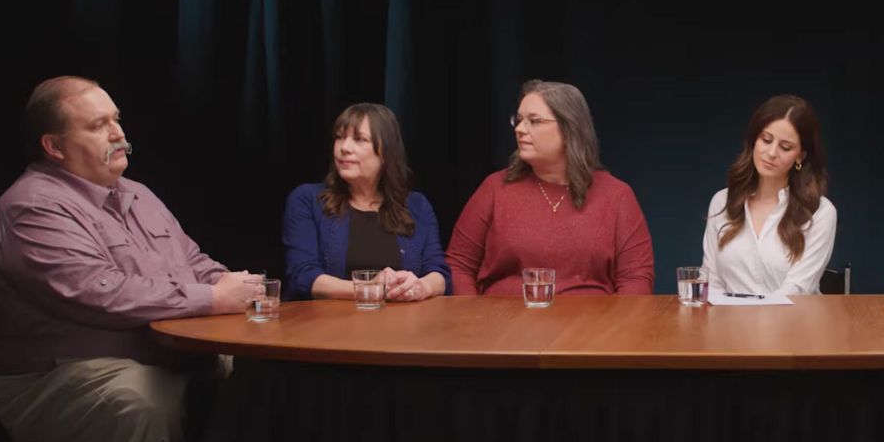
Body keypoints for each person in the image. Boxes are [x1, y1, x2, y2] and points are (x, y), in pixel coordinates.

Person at [0, 76, 264, 442]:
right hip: (50, 374)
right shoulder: (30, 210)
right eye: (97, 125)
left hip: (157, 349)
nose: (119, 134)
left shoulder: (138, 195)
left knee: (260, 374)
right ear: (54, 147)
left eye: (116, 119)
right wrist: (212, 298)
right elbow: (100, 292)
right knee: (145, 405)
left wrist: (232, 285)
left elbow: (194, 262)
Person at [445, 79, 654, 295]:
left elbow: (635, 278)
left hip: (591, 326)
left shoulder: (616, 195)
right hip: (504, 325)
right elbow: (459, 265)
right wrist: (474, 321)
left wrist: (616, 328)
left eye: (534, 121)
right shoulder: (495, 188)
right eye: (518, 120)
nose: (519, 129)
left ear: (569, 129)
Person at [283, 103, 451, 302]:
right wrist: (371, 288)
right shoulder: (307, 199)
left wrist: (422, 286)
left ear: (386, 153)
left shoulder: (417, 205)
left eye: (359, 139)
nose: (344, 148)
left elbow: (439, 273)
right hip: (328, 325)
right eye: (339, 137)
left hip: (401, 326)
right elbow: (303, 276)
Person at [700, 94, 836, 296]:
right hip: (727, 323)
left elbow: (797, 290)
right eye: (766, 140)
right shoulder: (722, 201)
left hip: (792, 324)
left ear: (800, 155)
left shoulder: (820, 212)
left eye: (785, 147)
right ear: (754, 140)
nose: (772, 153)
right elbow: (710, 281)